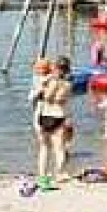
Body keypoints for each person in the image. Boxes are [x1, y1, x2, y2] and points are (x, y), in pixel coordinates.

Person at [35, 56, 73, 186]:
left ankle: (42, 176)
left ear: (56, 68)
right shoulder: (68, 84)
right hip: (60, 115)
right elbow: (63, 100)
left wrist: (43, 89)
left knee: (44, 147)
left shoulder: (53, 81)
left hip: (47, 115)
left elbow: (48, 97)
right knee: (59, 148)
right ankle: (59, 173)